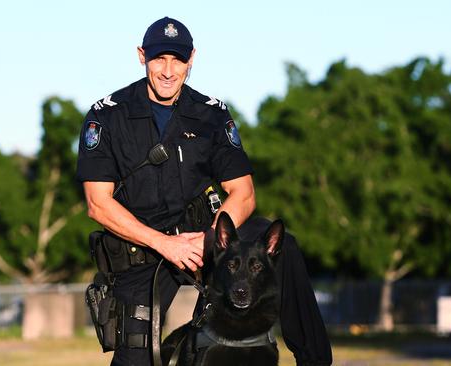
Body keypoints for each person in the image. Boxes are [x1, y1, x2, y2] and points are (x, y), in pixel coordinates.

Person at [77, 16, 332, 366]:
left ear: (191, 59)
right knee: (136, 357)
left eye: (178, 60)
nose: (168, 71)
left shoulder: (211, 114)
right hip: (144, 253)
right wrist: (165, 244)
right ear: (141, 56)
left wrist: (211, 239)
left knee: (281, 244)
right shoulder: (107, 116)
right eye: (159, 59)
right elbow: (98, 204)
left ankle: (314, 360)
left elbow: (243, 193)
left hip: (206, 244)